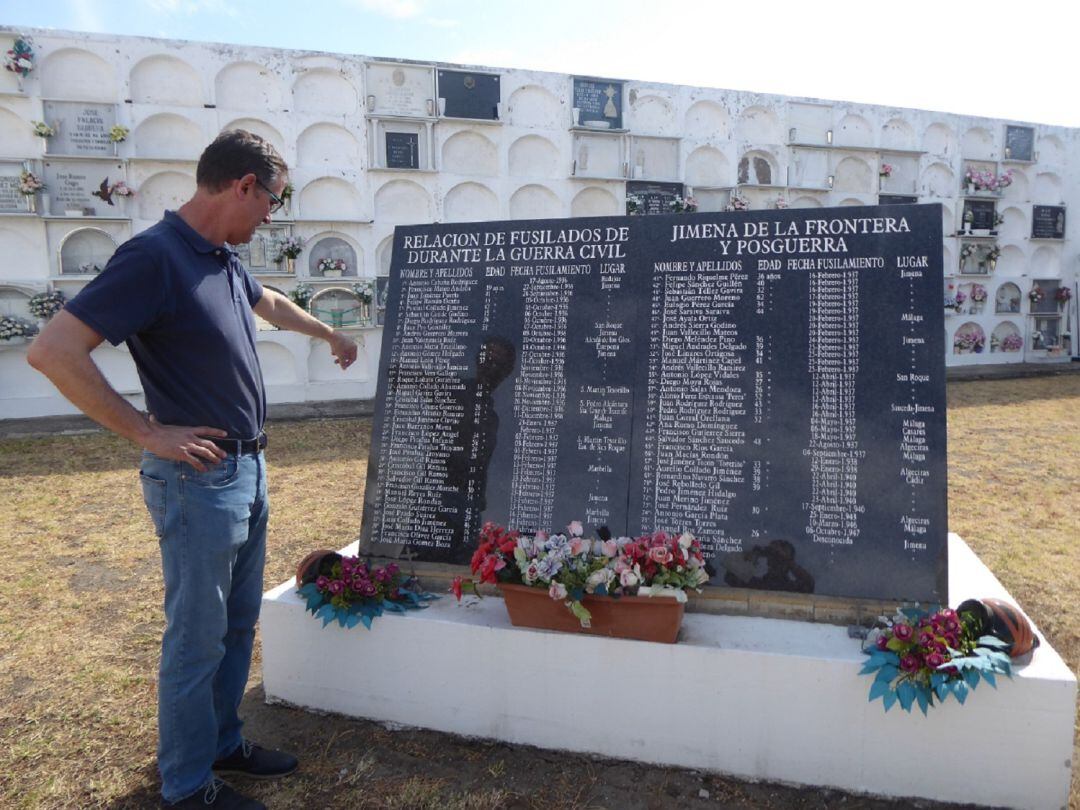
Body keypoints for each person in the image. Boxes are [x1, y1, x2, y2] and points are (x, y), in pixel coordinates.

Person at [28, 130, 358, 810]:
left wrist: (326, 331)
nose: (271, 215)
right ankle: (185, 786)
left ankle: (221, 743)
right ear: (242, 185)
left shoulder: (221, 259)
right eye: (270, 200)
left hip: (247, 470)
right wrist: (149, 432)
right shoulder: (154, 257)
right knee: (196, 636)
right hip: (197, 481)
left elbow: (266, 303)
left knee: (236, 626)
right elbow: (54, 350)